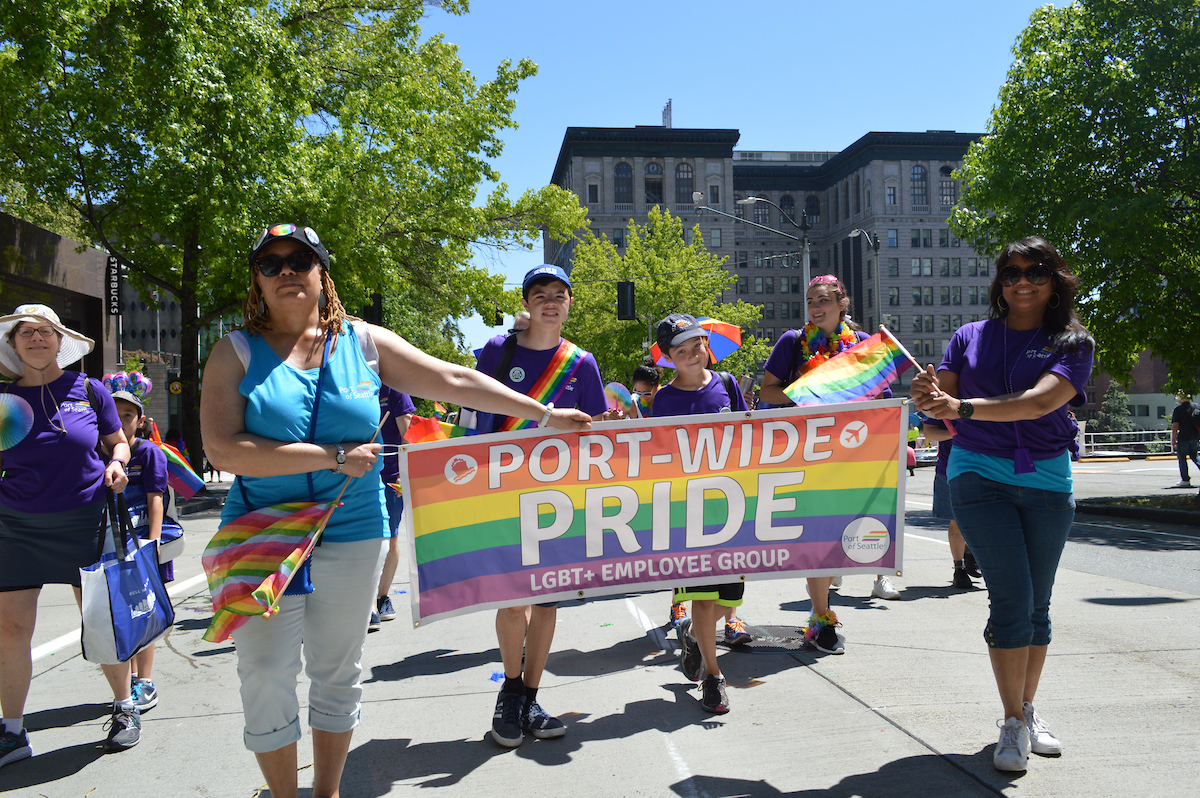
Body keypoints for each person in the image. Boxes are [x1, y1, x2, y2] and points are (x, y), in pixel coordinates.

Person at [200, 227, 591, 798]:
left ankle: (328, 793)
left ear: (321, 272)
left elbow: (454, 379)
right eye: (270, 263)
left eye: (300, 260)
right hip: (263, 530)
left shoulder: (362, 342)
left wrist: (543, 414)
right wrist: (333, 456)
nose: (286, 271)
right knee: (264, 675)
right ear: (256, 280)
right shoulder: (233, 351)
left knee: (337, 671)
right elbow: (223, 449)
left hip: (353, 530)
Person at [912, 236, 1094, 773]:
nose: (1022, 280)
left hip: (1046, 478)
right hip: (977, 475)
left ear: (1054, 280)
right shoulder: (969, 336)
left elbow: (1041, 402)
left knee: (1038, 603)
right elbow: (933, 419)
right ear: (999, 281)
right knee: (1012, 599)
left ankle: (1028, 710)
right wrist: (927, 398)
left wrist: (960, 405)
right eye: (1011, 271)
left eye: (1036, 271)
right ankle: (1011, 722)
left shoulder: (1073, 342)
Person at [472, 264, 609, 748]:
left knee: (546, 600)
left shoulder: (582, 363)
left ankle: (531, 697)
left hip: (560, 497)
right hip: (504, 491)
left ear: (570, 302)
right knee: (512, 599)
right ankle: (509, 693)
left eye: (559, 294)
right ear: (527, 303)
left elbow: (596, 432)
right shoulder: (497, 350)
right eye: (540, 294)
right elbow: (473, 418)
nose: (550, 301)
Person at [0, 304, 138, 766]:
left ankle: (124, 706)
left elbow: (118, 440)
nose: (36, 339)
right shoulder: (2, 400)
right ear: (14, 343)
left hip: (86, 521)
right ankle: (13, 731)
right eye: (26, 333)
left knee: (99, 620)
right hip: (16, 527)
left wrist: (118, 462)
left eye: (45, 332)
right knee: (11, 630)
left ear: (60, 341)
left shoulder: (88, 389)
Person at [758, 275, 899, 656]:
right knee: (818, 537)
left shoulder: (864, 344)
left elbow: (885, 402)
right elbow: (767, 392)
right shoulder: (793, 342)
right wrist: (808, 392)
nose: (816, 307)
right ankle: (821, 617)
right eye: (810, 301)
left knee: (848, 530)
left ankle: (865, 581)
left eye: (823, 300)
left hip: (855, 452)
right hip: (809, 452)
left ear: (842, 303)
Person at [653, 314, 747, 714]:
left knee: (730, 601)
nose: (692, 354)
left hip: (733, 506)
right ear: (669, 358)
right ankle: (713, 676)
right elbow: (655, 457)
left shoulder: (727, 385)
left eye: (697, 344)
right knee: (705, 601)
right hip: (690, 513)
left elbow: (749, 432)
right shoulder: (663, 400)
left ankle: (691, 635)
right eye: (681, 350)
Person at [105, 378, 173, 711]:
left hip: (142, 542)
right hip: (110, 545)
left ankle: (144, 681)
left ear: (141, 421)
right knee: (121, 613)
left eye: (128, 415)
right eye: (113, 414)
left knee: (143, 610)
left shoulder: (147, 452)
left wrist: (154, 541)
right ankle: (130, 677)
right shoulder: (96, 452)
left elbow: (155, 497)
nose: (120, 421)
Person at [370, 386, 414, 631]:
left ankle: (382, 597)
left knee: (391, 537)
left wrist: (404, 474)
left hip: (391, 476)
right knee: (363, 539)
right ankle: (366, 604)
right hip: (357, 473)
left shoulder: (395, 388)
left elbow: (408, 433)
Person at [922, 421, 981, 590]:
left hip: (984, 467)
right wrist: (956, 434)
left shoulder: (986, 396)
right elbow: (929, 432)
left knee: (985, 518)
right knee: (956, 521)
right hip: (949, 469)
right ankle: (959, 568)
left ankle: (971, 552)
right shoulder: (945, 399)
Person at [1170, 393, 1199, 488]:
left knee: (1182, 458)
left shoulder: (1178, 410)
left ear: (1179, 399)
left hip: (1184, 437)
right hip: (1195, 436)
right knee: (1195, 456)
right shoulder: (1196, 406)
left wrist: (1173, 440)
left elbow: (1175, 426)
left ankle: (1185, 479)